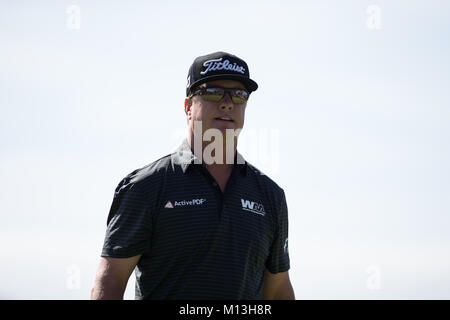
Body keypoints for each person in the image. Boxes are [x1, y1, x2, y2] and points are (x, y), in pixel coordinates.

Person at [91, 51, 295, 300]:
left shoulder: (270, 195)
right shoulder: (145, 187)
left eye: (239, 95)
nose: (228, 103)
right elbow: (110, 280)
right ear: (188, 107)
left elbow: (278, 290)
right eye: (213, 92)